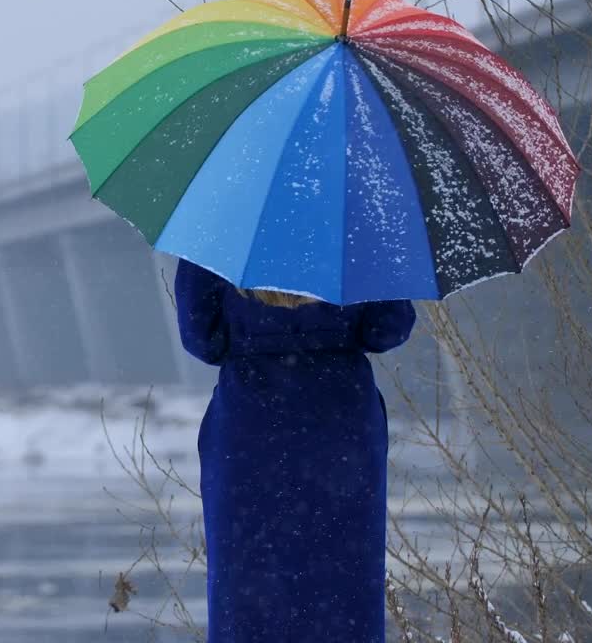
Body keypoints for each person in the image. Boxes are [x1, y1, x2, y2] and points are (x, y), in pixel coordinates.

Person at [175, 258, 416, 642]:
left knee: (247, 584)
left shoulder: (222, 221)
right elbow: (388, 327)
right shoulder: (354, 218)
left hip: (250, 427)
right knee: (343, 583)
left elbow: (201, 337)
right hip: (340, 426)